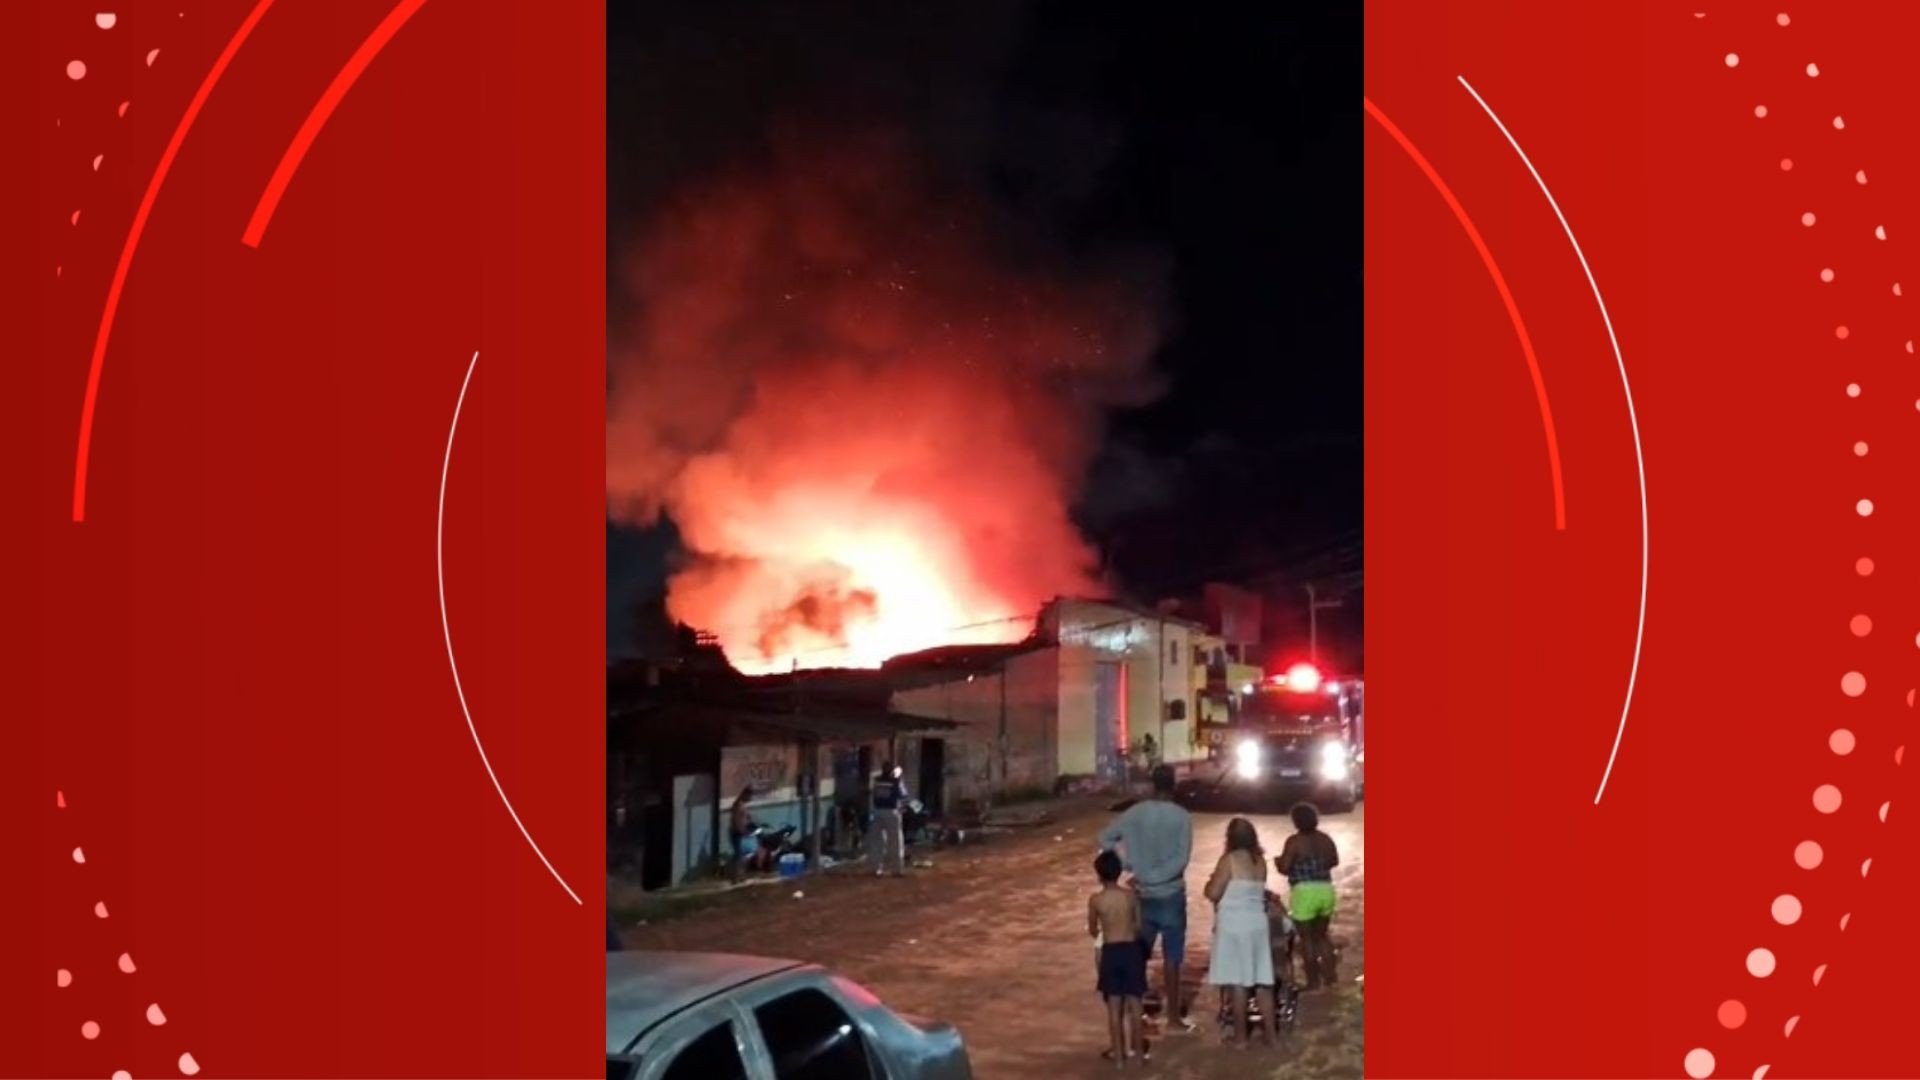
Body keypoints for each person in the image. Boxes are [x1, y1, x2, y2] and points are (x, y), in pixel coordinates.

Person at [1099, 764, 1195, 1033]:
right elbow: (1181, 858)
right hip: (1171, 894)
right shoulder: (1182, 817)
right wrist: (1156, 876)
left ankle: (1137, 1015)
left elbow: (1105, 838)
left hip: (1142, 896)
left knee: (1138, 956)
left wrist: (1129, 865)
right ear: (1173, 785)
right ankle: (1174, 1019)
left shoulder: (1135, 813)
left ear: (1153, 785)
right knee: (1173, 958)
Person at [1204, 818, 1278, 1047]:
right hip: (1257, 923)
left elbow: (1214, 893)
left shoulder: (1230, 860)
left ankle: (1240, 1037)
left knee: (1238, 983)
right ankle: (1272, 1036)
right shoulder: (1260, 862)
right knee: (1263, 981)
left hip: (1234, 925)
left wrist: (1209, 883)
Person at [1088, 850, 1150, 1067]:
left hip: (1111, 952)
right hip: (1131, 951)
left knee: (1114, 1008)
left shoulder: (1096, 900)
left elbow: (1093, 929)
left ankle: (1119, 1059)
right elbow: (1140, 927)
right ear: (1119, 872)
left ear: (1099, 875)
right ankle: (1140, 1056)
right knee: (1136, 1005)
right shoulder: (1131, 896)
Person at [1276, 801, 1341, 989]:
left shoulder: (1294, 841)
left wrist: (1279, 862)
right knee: (1322, 936)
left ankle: (1313, 981)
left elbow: (1285, 867)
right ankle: (1330, 976)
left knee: (1307, 940)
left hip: (1304, 892)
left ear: (1296, 821)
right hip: (1325, 889)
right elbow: (1334, 861)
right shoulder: (1325, 839)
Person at [870, 761, 907, 877]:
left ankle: (876, 869)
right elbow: (903, 794)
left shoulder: (877, 780)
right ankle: (896, 870)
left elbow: (874, 794)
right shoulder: (895, 781)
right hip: (891, 812)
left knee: (877, 842)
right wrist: (899, 779)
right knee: (895, 841)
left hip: (877, 812)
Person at [727, 787, 756, 882]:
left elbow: (745, 817)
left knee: (739, 854)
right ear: (745, 794)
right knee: (738, 854)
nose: (750, 798)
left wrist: (749, 820)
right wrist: (742, 831)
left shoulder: (742, 805)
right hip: (736, 832)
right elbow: (736, 820)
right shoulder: (738, 805)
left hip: (738, 831)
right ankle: (735, 877)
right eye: (749, 796)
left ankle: (739, 875)